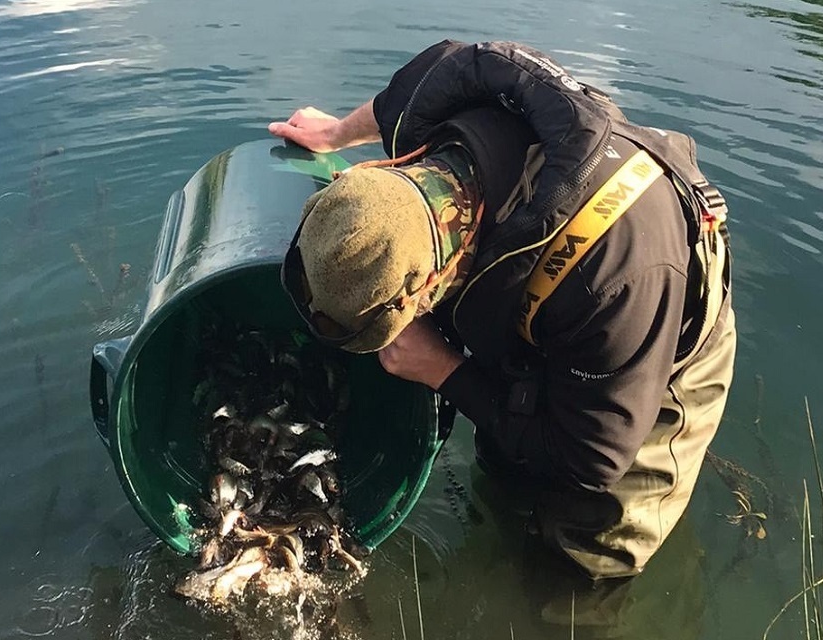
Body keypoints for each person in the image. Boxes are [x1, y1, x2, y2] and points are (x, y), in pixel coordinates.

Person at [268, 40, 736, 579]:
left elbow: (591, 459)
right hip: (531, 284)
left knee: (584, 549)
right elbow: (392, 105)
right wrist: (335, 135)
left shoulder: (616, 280)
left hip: (649, 324)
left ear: (427, 289)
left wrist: (443, 369)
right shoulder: (433, 99)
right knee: (504, 466)